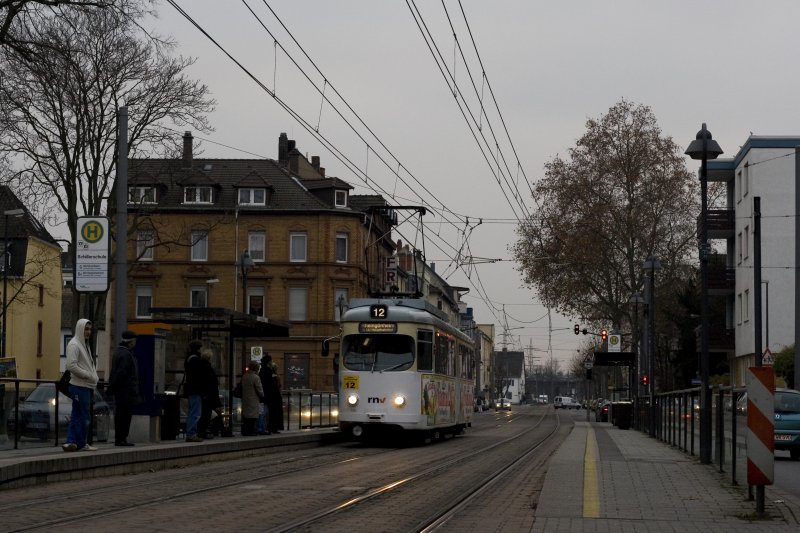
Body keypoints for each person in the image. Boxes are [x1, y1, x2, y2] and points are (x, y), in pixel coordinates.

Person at [62, 319, 99, 452]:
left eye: (89, 329)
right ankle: (80, 442)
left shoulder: (84, 345)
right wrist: (88, 375)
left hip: (85, 385)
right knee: (84, 416)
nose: (88, 332)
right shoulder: (75, 345)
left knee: (77, 414)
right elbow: (71, 365)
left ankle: (72, 442)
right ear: (80, 329)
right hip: (80, 385)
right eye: (86, 329)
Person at [107, 330, 140, 446]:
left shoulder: (118, 352)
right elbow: (122, 373)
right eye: (134, 340)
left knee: (121, 414)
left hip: (121, 390)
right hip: (126, 391)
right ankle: (121, 438)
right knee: (124, 415)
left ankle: (120, 438)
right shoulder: (126, 355)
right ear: (131, 342)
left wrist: (112, 387)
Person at [198, 347, 221, 439]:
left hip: (206, 395)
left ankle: (203, 431)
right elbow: (209, 382)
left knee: (207, 414)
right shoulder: (207, 367)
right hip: (208, 395)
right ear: (209, 358)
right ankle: (202, 432)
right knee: (206, 414)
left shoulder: (203, 366)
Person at [183, 339, 205, 442]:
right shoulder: (195, 359)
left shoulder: (189, 358)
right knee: (195, 413)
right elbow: (198, 376)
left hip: (191, 389)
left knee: (193, 411)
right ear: (199, 348)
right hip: (195, 389)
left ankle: (191, 433)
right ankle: (191, 434)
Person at [241, 360, 264, 436]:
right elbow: (259, 389)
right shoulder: (255, 377)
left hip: (245, 398)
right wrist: (262, 395)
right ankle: (250, 431)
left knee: (246, 416)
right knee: (252, 417)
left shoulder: (245, 376)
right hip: (253, 398)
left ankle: (245, 431)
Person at [262, 354, 283, 434]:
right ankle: (273, 427)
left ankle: (270, 427)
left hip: (268, 395)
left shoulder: (263, 370)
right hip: (273, 396)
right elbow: (273, 385)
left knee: (268, 412)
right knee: (273, 413)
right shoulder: (269, 372)